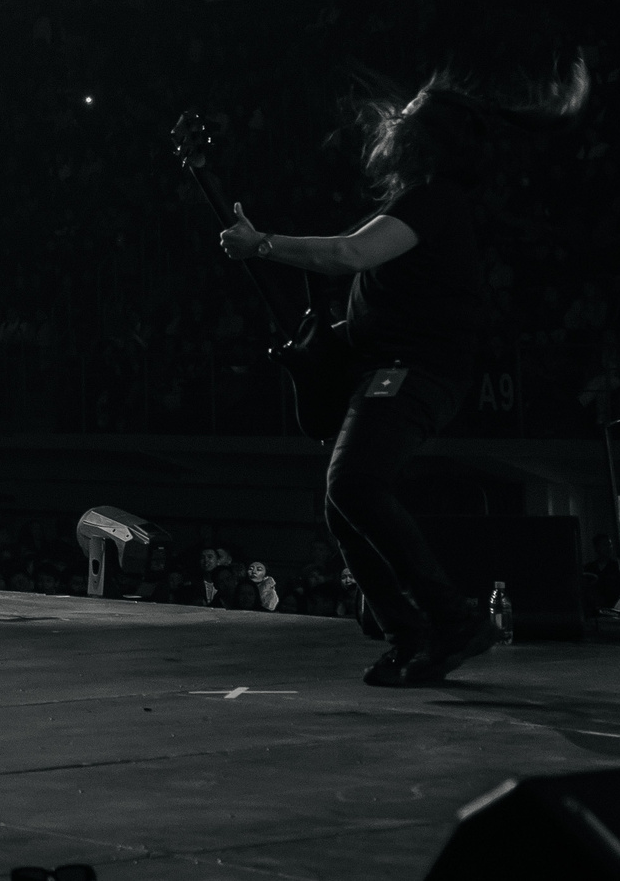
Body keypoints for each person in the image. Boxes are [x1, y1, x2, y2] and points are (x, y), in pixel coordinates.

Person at [220, 60, 586, 687]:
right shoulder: (424, 205)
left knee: (354, 485)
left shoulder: (433, 203)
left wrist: (263, 244)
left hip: (414, 374)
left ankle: (449, 619)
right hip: (394, 369)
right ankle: (412, 632)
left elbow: (348, 253)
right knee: (344, 503)